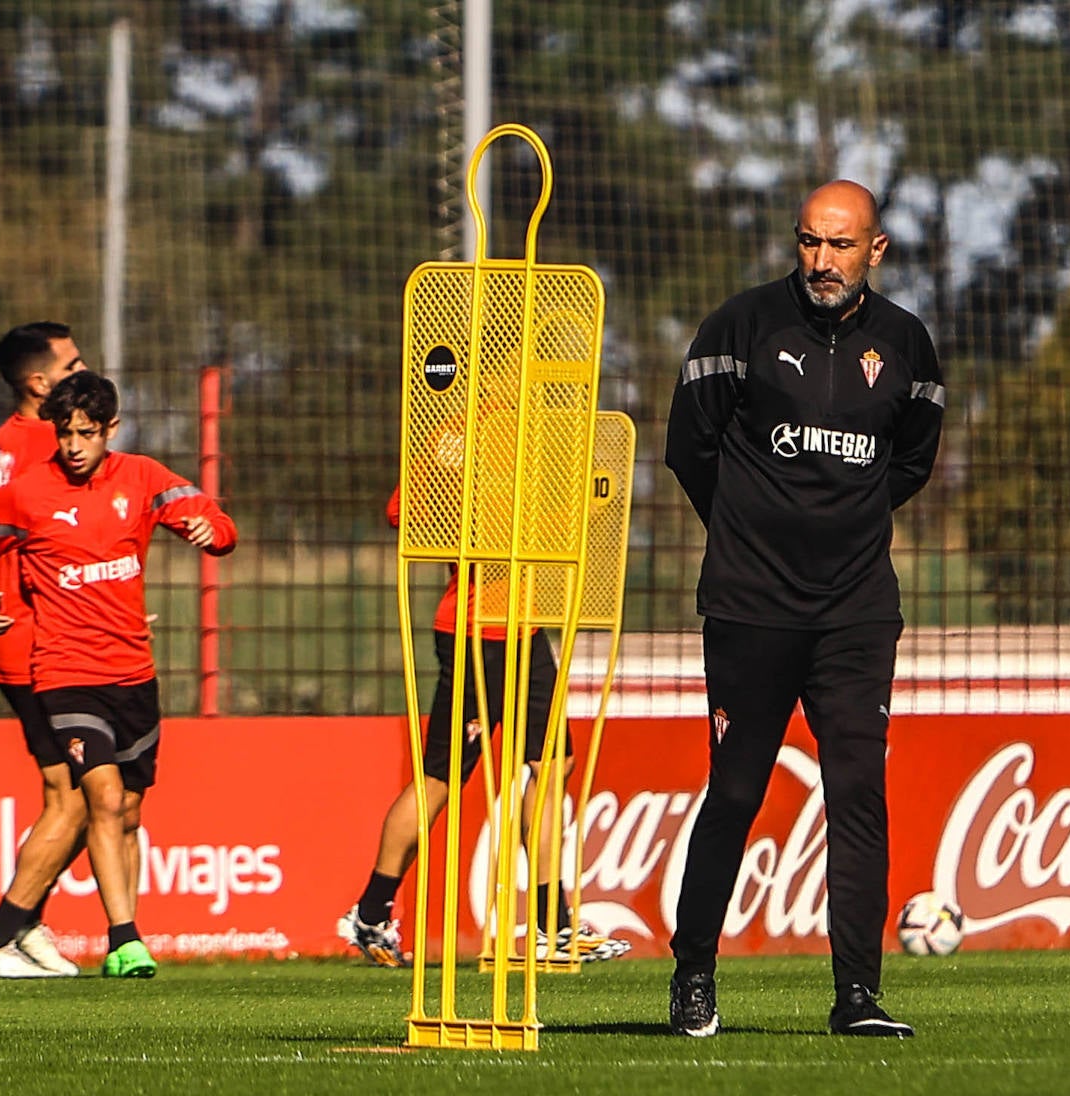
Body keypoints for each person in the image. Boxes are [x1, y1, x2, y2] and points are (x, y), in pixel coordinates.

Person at [664, 180, 944, 1038]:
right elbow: (689, 447)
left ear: (876, 250)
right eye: (809, 242)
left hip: (857, 612)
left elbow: (908, 465)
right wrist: (753, 533)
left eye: (841, 245)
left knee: (858, 792)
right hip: (750, 609)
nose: (822, 260)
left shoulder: (907, 344)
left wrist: (837, 532)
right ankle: (694, 975)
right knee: (737, 791)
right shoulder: (739, 327)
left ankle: (857, 995)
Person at [0, 371, 238, 978]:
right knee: (100, 796)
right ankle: (124, 938)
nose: (75, 445)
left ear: (111, 428)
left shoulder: (142, 478)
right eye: (65, 433)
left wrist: (215, 533)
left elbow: (210, 517)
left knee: (129, 808)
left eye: (87, 432)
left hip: (133, 670)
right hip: (63, 671)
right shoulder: (27, 491)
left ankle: (26, 931)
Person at [336, 487, 631, 967]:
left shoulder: (526, 435)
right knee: (440, 778)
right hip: (479, 629)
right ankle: (370, 914)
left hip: (526, 625)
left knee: (554, 762)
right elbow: (400, 512)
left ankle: (552, 923)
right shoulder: (468, 433)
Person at [0, 321, 90, 978]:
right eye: (73, 363)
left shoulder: (2, 444)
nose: (85, 369)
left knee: (84, 794)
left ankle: (27, 924)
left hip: (33, 637)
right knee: (80, 798)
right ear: (41, 383)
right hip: (41, 643)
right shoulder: (43, 449)